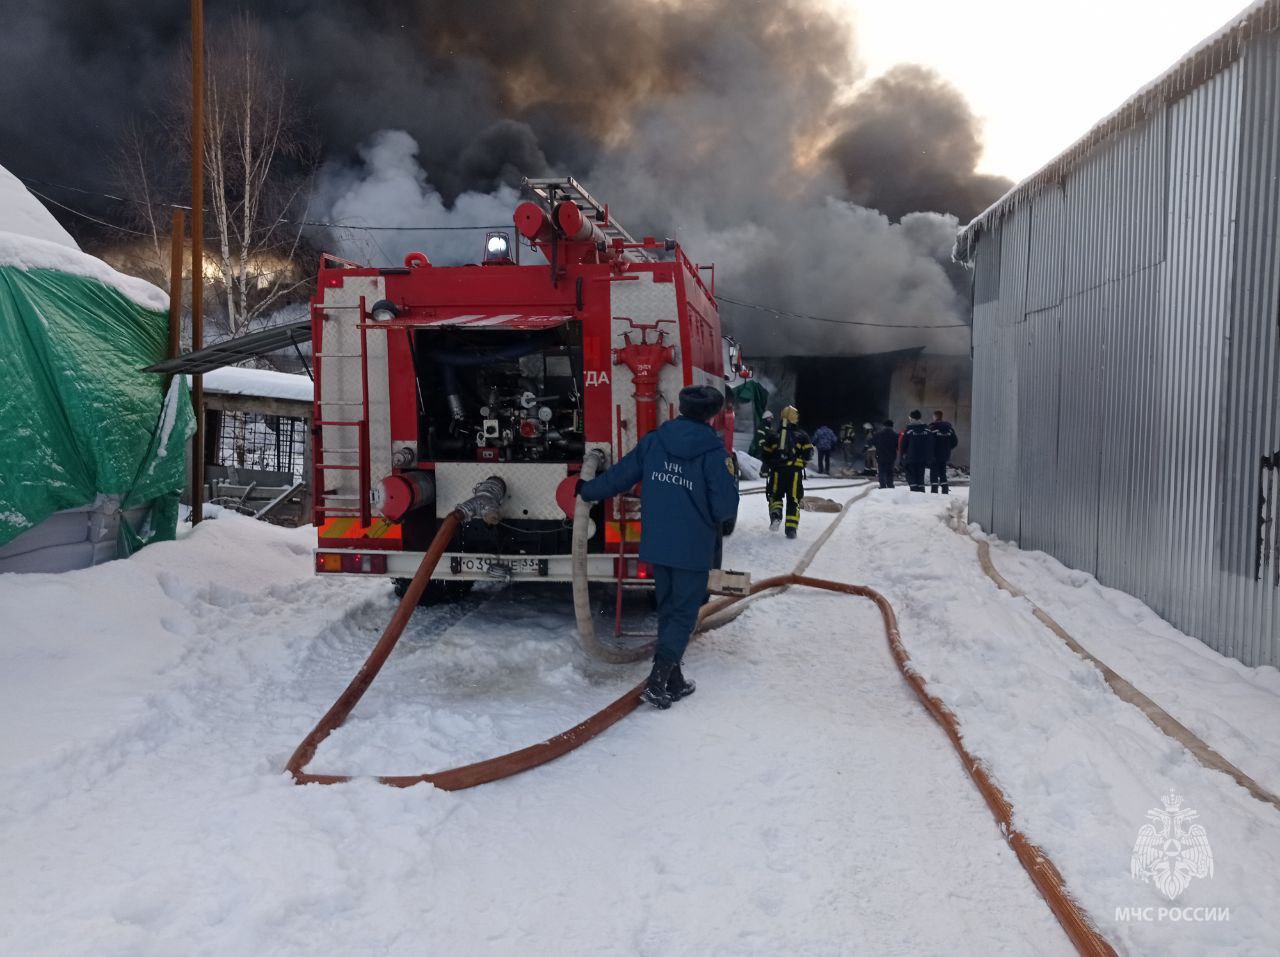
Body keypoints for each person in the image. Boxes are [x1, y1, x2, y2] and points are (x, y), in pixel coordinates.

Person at [577, 385, 740, 709]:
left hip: (657, 543)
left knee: (668, 608)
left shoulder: (655, 442)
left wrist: (588, 489)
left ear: (682, 408)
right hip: (692, 548)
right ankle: (658, 679)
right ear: (712, 414)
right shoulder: (714, 454)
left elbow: (621, 475)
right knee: (683, 615)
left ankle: (674, 680)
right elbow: (725, 508)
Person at [758, 405, 813, 539]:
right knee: (793, 499)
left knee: (775, 496)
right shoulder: (802, 435)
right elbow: (808, 455)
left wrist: (772, 464)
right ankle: (791, 529)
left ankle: (776, 515)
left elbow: (765, 455)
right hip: (794, 474)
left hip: (777, 473)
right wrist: (799, 463)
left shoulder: (773, 435)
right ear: (795, 418)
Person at [898, 409, 933, 493]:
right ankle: (921, 493)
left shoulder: (908, 431)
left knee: (911, 476)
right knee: (920, 476)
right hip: (923, 459)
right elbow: (931, 444)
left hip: (911, 458)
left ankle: (914, 494)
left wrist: (902, 457)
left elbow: (903, 445)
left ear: (911, 419)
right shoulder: (927, 431)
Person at [927, 410, 959, 494]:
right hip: (945, 454)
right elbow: (955, 442)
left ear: (935, 417)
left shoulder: (932, 428)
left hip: (934, 455)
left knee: (934, 472)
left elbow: (928, 441)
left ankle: (934, 491)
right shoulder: (949, 429)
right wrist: (948, 448)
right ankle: (945, 489)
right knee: (942, 472)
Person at [872, 419, 898, 489]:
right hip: (891, 456)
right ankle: (890, 485)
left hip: (880, 456)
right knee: (890, 471)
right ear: (892, 426)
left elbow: (873, 443)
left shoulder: (877, 434)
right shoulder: (895, 435)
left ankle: (882, 485)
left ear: (883, 426)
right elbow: (898, 445)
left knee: (881, 471)